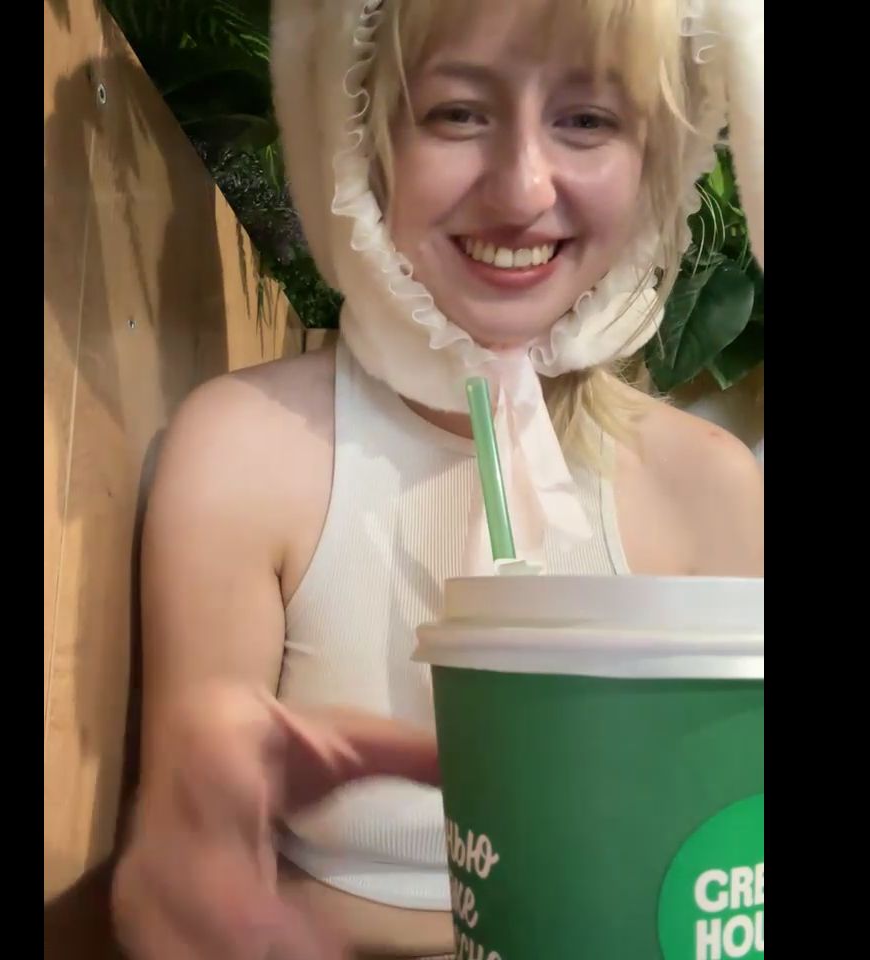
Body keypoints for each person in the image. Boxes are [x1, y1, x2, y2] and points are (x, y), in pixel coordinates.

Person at [111, 0, 764, 957]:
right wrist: (184, 876)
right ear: (360, 141)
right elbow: (191, 867)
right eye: (458, 112)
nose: (522, 187)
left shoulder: (712, 487)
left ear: (655, 163)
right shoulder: (244, 453)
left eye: (587, 119)